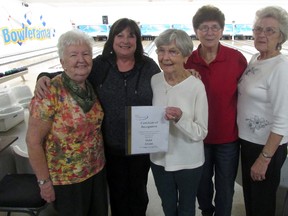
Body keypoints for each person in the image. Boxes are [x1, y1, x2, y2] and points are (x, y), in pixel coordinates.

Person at [34, 18, 161, 216]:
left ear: (138, 40)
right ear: (112, 39)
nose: (125, 40)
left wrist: (188, 75)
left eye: (131, 35)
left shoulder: (149, 66)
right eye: (120, 35)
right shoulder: (101, 65)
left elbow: (168, 86)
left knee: (139, 194)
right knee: (117, 196)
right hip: (109, 149)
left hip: (140, 148)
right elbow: (71, 74)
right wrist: (43, 76)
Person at [26, 30, 108, 216]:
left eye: (86, 54)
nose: (81, 59)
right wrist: (44, 182)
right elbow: (33, 142)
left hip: (96, 171)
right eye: (73, 55)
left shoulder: (89, 86)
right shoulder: (49, 93)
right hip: (67, 180)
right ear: (62, 62)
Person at [184, 5, 248, 216]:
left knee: (225, 187)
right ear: (196, 31)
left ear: (221, 30)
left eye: (214, 27)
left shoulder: (236, 58)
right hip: (198, 137)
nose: (209, 32)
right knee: (201, 186)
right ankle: (206, 211)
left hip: (228, 138)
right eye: (204, 28)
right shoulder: (187, 62)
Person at [151, 29, 208, 216]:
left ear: (186, 56)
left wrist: (180, 118)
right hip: (159, 160)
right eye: (161, 50)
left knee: (186, 209)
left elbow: (201, 132)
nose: (165, 57)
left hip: (188, 163)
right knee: (168, 207)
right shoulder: (155, 80)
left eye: (173, 51)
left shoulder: (196, 86)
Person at [237, 6, 288, 216]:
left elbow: (284, 118)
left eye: (270, 30)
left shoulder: (281, 67)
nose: (261, 34)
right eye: (258, 29)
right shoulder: (256, 59)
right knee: (251, 200)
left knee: (262, 205)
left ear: (281, 37)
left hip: (266, 147)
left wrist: (264, 158)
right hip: (249, 142)